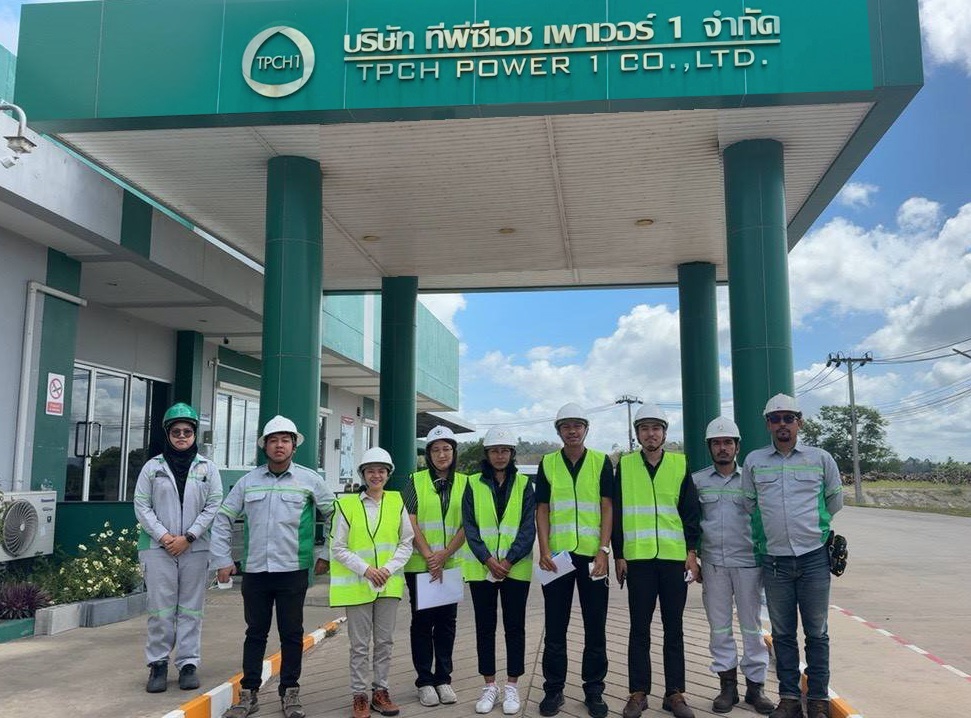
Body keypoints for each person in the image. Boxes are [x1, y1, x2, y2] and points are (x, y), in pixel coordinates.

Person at [210, 415, 334, 718]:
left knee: (291, 634)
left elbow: (336, 516)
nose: (280, 445)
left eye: (285, 440)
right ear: (264, 446)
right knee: (255, 633)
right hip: (256, 571)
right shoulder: (248, 482)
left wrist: (327, 554)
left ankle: (290, 693)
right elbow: (223, 517)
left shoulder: (309, 480)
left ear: (294, 446)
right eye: (274, 440)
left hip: (293, 570)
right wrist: (222, 559)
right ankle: (248, 695)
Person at [742, 394, 843, 718]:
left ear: (799, 422)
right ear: (768, 425)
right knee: (783, 634)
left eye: (788, 418)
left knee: (817, 634)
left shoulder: (820, 458)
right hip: (775, 561)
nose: (782, 424)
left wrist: (811, 529)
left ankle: (818, 701)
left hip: (814, 558)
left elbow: (834, 501)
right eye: (775, 419)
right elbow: (750, 504)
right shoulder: (755, 461)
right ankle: (788, 699)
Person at [613, 402, 701, 718]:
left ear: (664, 433)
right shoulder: (624, 466)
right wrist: (618, 554)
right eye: (644, 429)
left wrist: (691, 552)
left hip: (673, 559)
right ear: (637, 434)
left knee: (673, 628)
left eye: (656, 428)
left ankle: (674, 693)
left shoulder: (679, 464)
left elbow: (691, 512)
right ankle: (638, 693)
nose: (650, 434)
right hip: (638, 560)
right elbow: (617, 512)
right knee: (639, 629)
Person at [134, 402, 223, 693]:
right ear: (168, 434)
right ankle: (158, 664)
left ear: (194, 433)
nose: (182, 436)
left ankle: (188, 664)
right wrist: (164, 537)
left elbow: (214, 504)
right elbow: (141, 505)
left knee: (190, 609)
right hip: (157, 548)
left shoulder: (208, 468)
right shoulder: (152, 468)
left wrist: (189, 537)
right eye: (176, 432)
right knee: (160, 609)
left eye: (187, 431)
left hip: (195, 548)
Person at [691, 417, 775, 715]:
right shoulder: (698, 481)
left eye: (728, 442)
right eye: (716, 443)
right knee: (720, 627)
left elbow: (765, 518)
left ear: (737, 446)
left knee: (752, 627)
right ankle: (727, 687)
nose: (722, 448)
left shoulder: (751, 479)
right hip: (713, 564)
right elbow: (691, 522)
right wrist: (694, 556)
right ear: (709, 448)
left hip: (749, 563)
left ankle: (756, 687)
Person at [535, 403, 613, 718]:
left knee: (595, 627)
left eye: (577, 425)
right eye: (566, 426)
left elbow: (607, 506)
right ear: (559, 431)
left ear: (586, 429)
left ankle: (594, 690)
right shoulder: (547, 463)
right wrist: (543, 549)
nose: (572, 431)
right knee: (555, 627)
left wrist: (604, 550)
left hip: (594, 557)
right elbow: (542, 508)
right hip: (558, 558)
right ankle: (553, 690)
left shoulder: (601, 461)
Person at [331, 447, 414, 718]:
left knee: (384, 642)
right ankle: (359, 695)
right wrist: (367, 570)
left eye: (381, 471)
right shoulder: (346, 505)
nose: (376, 475)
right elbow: (338, 547)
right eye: (370, 471)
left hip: (388, 584)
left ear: (388, 474)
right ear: (363, 474)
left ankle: (380, 691)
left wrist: (387, 569)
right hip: (358, 584)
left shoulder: (397, 502)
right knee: (359, 645)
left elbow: (406, 542)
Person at [463, 426, 536, 715]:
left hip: (515, 569)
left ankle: (512, 687)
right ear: (487, 453)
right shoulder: (472, 483)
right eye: (495, 450)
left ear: (512, 453)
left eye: (505, 450)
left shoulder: (524, 485)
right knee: (485, 627)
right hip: (482, 569)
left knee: (515, 627)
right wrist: (487, 559)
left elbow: (528, 527)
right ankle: (489, 686)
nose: (500, 455)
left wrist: (507, 561)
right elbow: (469, 526)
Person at [401, 425, 468, 707]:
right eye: (436, 450)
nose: (442, 454)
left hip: (450, 564)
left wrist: (444, 555)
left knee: (446, 623)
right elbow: (410, 521)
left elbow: (468, 523)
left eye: (447, 449)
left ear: (454, 452)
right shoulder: (414, 481)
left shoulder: (466, 483)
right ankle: (425, 681)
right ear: (428, 454)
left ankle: (443, 678)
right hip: (420, 565)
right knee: (422, 622)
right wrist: (430, 555)